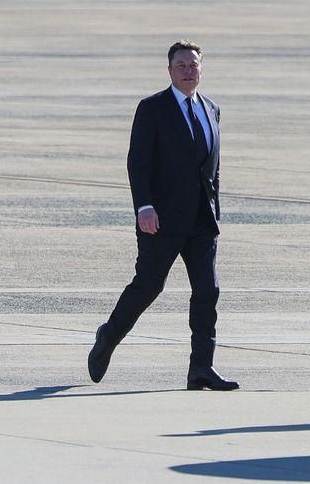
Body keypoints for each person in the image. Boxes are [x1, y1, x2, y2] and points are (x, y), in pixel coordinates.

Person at [87, 40, 238, 391]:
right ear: (169, 70)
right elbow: (138, 162)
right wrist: (144, 206)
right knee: (148, 287)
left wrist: (214, 208)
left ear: (202, 69)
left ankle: (201, 367)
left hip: (202, 220)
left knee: (207, 292)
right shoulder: (152, 108)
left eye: (193, 65)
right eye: (181, 65)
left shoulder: (211, 108)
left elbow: (212, 167)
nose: (188, 71)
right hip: (161, 219)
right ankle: (108, 337)